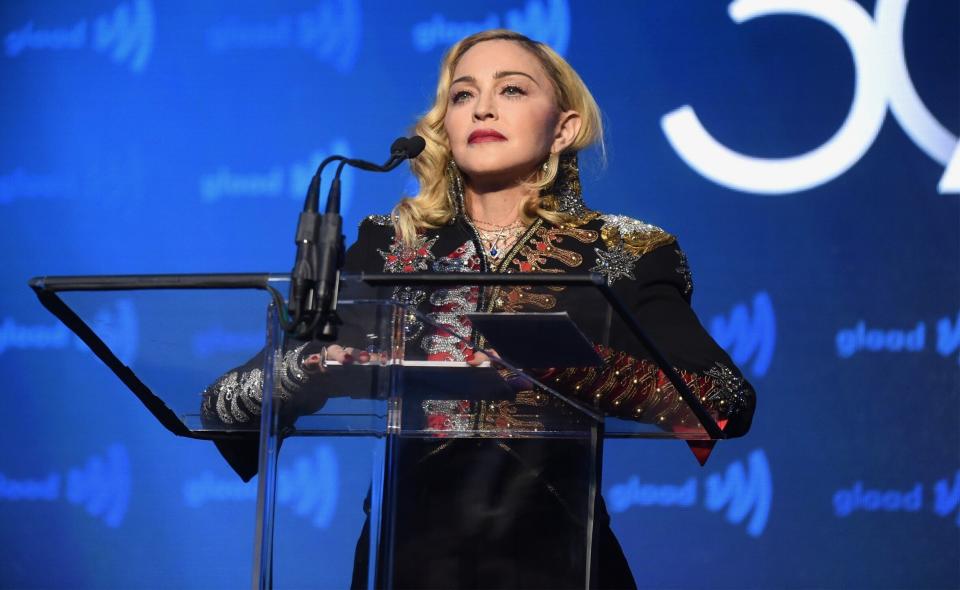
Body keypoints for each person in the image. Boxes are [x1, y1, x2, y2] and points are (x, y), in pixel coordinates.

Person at [201, 29, 756, 589]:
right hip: (404, 563)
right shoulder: (388, 247)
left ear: (564, 127)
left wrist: (559, 364)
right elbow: (224, 405)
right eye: (462, 95)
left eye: (512, 90)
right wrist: (311, 371)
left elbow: (721, 400)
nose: (483, 107)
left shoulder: (623, 250)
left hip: (562, 561)